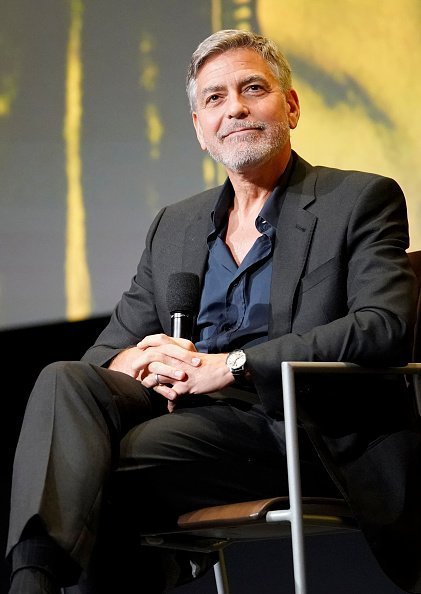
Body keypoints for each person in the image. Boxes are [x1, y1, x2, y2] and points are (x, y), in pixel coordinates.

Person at [6, 29, 421, 594]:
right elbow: (101, 355)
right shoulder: (175, 225)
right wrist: (138, 357)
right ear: (201, 130)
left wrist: (230, 365)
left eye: (253, 88)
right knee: (65, 381)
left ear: (291, 107)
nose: (237, 108)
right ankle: (31, 582)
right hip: (190, 421)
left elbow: (384, 327)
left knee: (99, 465)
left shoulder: (359, 199)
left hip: (297, 427)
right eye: (214, 98)